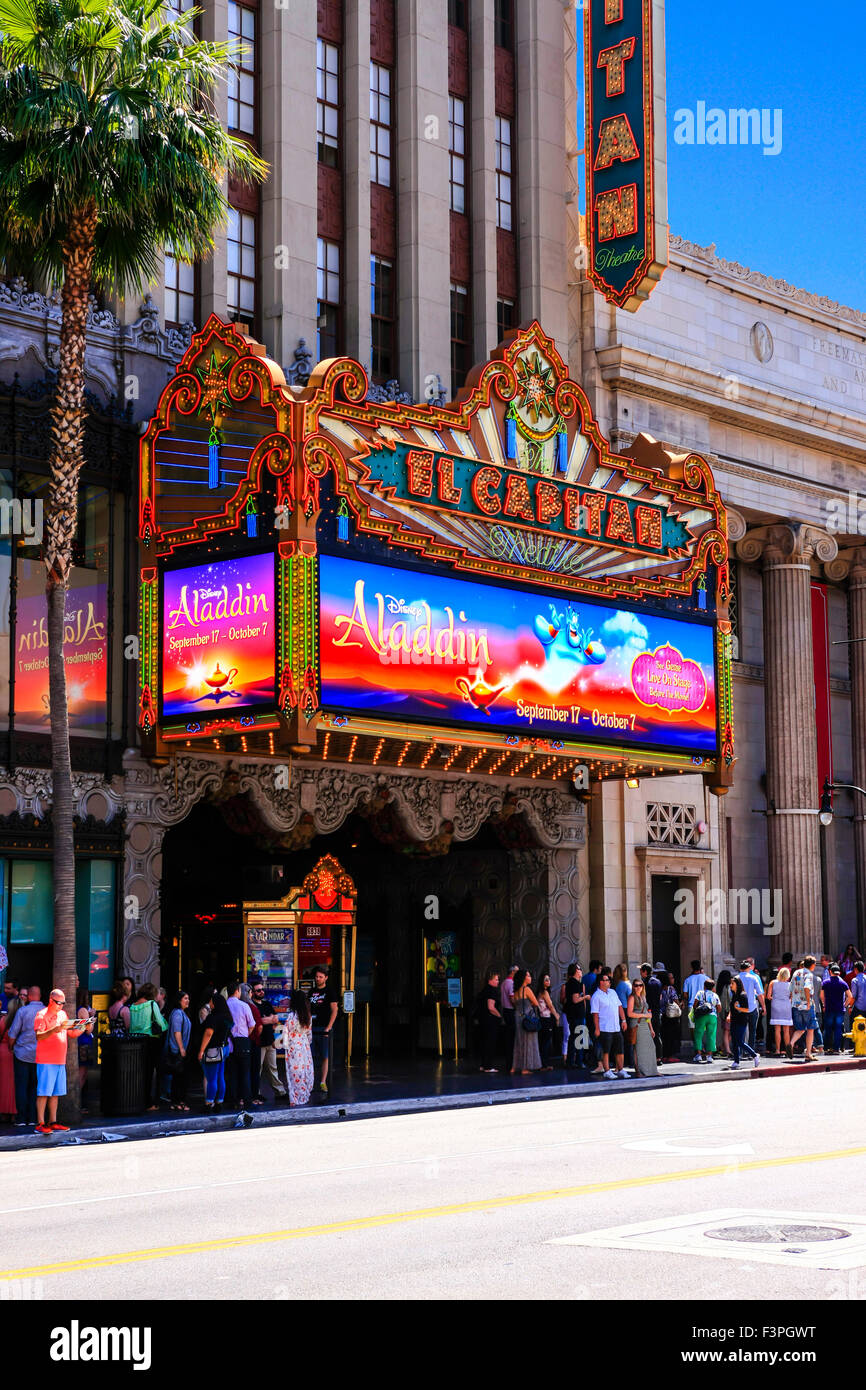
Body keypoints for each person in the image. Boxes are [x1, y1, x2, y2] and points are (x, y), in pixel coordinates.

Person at [34, 989, 86, 1133]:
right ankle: (40, 1123)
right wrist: (53, 1030)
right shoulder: (41, 1015)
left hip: (60, 1061)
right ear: (51, 1000)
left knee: (55, 1093)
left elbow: (72, 1033)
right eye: (59, 1003)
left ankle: (53, 1121)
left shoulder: (62, 1014)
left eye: (63, 1003)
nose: (61, 1006)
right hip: (46, 1060)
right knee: (44, 1092)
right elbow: (38, 1036)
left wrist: (85, 1025)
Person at [128, 983, 168, 1110]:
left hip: (135, 1041)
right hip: (151, 1041)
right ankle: (150, 1103)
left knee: (139, 1072)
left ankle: (138, 1099)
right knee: (151, 1072)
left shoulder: (133, 1006)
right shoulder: (152, 1004)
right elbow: (162, 1025)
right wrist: (164, 1021)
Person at [8, 985, 41, 1127]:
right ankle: (33, 1118)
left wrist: (11, 1047)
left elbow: (12, 1034)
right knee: (35, 1087)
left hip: (22, 1054)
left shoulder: (23, 1011)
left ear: (30, 996)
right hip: (40, 1055)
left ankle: (21, 1119)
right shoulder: (45, 1011)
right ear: (39, 996)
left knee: (21, 1086)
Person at [250, 977, 288, 1102]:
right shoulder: (251, 1006)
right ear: (253, 992)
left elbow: (275, 1019)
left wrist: (266, 1020)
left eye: (262, 989)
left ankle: (280, 1092)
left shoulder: (266, 1004)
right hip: (258, 1043)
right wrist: (267, 1020)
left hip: (270, 1041)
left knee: (273, 1068)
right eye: (258, 990)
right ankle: (256, 1093)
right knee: (257, 1069)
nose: (261, 992)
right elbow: (256, 1022)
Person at [197, 990, 233, 1111]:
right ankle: (219, 1102)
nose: (210, 1004)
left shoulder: (213, 1017)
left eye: (212, 1002)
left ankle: (209, 1103)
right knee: (220, 1076)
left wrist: (201, 1051)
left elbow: (208, 1033)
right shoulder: (227, 1016)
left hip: (213, 1050)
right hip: (224, 1048)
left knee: (211, 1078)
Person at [591, 972, 630, 1080]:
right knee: (606, 1050)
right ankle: (607, 1071)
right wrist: (597, 1028)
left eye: (609, 980)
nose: (609, 982)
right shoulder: (596, 996)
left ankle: (621, 1069)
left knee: (619, 1049)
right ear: (601, 982)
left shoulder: (613, 992)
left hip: (616, 1026)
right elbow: (595, 1014)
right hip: (605, 1027)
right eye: (607, 980)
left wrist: (623, 1020)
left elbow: (619, 1006)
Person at [225, 980, 257, 1109]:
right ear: (237, 991)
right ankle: (247, 1101)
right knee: (245, 1073)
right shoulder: (244, 1006)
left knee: (232, 1073)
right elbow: (252, 1025)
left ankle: (233, 1101)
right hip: (243, 1041)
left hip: (228, 1042)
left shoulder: (224, 1006)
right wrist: (245, 1035)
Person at [309, 966, 339, 1094]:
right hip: (311, 1028)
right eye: (316, 976)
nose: (318, 979)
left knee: (325, 1056)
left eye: (320, 977)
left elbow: (335, 1010)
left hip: (324, 1028)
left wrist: (329, 1027)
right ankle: (309, 1083)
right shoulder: (311, 991)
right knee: (310, 1057)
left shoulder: (330, 991)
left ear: (326, 978)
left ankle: (323, 1082)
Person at [284, 988, 314, 1106]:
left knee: (294, 1073)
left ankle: (295, 1098)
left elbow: (285, 1032)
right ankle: (304, 1095)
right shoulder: (307, 1016)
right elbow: (309, 1034)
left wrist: (283, 1045)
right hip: (304, 1045)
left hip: (293, 1046)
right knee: (305, 1070)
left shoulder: (291, 1016)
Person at [162, 990, 191, 1110]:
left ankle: (176, 1102)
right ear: (179, 1000)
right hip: (177, 1051)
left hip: (178, 1049)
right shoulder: (178, 1014)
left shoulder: (180, 1013)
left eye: (188, 998)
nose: (187, 1000)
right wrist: (181, 1048)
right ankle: (179, 1102)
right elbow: (176, 1032)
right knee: (180, 1078)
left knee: (177, 1078)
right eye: (185, 998)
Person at [510, 969, 542, 1075]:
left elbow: (515, 1003)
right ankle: (525, 1068)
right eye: (528, 976)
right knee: (528, 1041)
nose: (530, 978)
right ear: (524, 978)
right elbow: (536, 1003)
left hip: (518, 1017)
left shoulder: (516, 990)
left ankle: (514, 1067)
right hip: (527, 1018)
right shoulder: (526, 989)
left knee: (519, 1042)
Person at [789, 956, 818, 1062]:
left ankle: (791, 1043)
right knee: (810, 1029)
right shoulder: (809, 974)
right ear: (813, 964)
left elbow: (791, 988)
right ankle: (808, 1053)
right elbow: (807, 987)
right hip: (806, 1005)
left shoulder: (796, 972)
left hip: (796, 1005)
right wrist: (808, 1002)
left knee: (800, 1029)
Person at [627, 979, 657, 1077]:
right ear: (633, 986)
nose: (638, 987)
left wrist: (651, 1028)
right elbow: (629, 1013)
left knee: (651, 1047)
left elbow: (647, 1014)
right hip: (637, 1024)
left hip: (645, 1024)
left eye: (640, 985)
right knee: (638, 1048)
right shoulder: (632, 997)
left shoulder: (643, 997)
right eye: (636, 985)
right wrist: (644, 1016)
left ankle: (652, 1071)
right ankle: (639, 1071)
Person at [728, 977, 759, 1070]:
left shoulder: (743, 995)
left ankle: (754, 1055)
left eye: (732, 984)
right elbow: (732, 1007)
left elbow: (747, 1009)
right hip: (734, 1020)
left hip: (741, 1021)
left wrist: (738, 1008)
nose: (731, 985)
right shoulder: (734, 995)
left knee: (740, 1041)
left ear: (737, 984)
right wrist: (729, 1015)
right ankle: (736, 1061)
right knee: (734, 1042)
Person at [821, 965, 852, 1055]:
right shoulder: (843, 983)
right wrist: (845, 1005)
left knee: (828, 1028)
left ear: (830, 971)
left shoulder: (825, 983)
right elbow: (850, 996)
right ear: (839, 973)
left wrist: (824, 1004)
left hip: (829, 1009)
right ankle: (836, 1048)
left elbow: (821, 995)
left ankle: (827, 1048)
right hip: (839, 1009)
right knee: (838, 1029)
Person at [738, 959, 766, 1053]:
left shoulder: (736, 978)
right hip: (752, 1006)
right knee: (752, 1030)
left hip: (740, 1008)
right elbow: (759, 993)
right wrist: (763, 1006)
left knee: (741, 1030)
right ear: (749, 968)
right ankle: (751, 1051)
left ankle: (741, 1051)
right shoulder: (753, 978)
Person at [564, 963, 589, 1068]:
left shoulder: (572, 983)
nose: (581, 971)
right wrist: (585, 997)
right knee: (580, 1038)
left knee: (575, 1038)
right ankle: (579, 1061)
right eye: (579, 969)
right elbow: (575, 999)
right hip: (576, 1015)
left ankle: (571, 1061)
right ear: (575, 971)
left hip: (575, 1014)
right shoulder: (574, 983)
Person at [477, 969, 502, 1073]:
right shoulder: (492, 990)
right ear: (490, 980)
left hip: (483, 1020)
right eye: (496, 979)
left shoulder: (484, 990)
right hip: (490, 1021)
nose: (498, 981)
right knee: (490, 1043)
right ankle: (488, 1066)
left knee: (484, 1042)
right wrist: (499, 1015)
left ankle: (483, 1064)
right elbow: (491, 1007)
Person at [691, 978, 720, 1063]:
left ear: (704, 986)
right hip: (712, 1016)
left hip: (701, 1016)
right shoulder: (715, 995)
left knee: (698, 1034)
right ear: (713, 987)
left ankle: (698, 1055)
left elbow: (694, 1004)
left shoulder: (700, 993)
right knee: (711, 1035)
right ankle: (709, 1056)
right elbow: (719, 1008)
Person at [767, 966, 793, 1057]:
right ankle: (786, 1050)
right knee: (786, 1030)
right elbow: (791, 997)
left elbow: (768, 996)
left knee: (777, 1029)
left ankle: (777, 1050)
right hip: (786, 1006)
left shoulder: (773, 983)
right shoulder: (790, 984)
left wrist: (775, 998)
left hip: (776, 1006)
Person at [535, 973, 558, 1070]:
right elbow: (550, 1005)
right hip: (545, 1019)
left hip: (542, 1019)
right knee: (546, 1042)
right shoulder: (544, 992)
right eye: (546, 979)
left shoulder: (540, 992)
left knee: (543, 1042)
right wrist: (556, 1015)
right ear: (542, 982)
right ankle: (544, 1064)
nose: (548, 981)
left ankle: (543, 1063)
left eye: (549, 979)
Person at [612, 964, 633, 1066]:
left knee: (621, 1037)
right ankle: (629, 1060)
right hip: (626, 1010)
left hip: (617, 1010)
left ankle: (620, 1061)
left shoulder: (616, 984)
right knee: (629, 1037)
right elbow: (631, 998)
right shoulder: (626, 984)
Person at [75, 1008, 96, 1113]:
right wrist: (91, 1018)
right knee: (82, 1075)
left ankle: (79, 1102)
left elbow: (78, 1026)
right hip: (84, 1044)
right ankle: (77, 1102)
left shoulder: (75, 1009)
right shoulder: (83, 1010)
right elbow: (89, 1030)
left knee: (82, 1075)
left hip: (80, 1043)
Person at [659, 971, 682, 1063]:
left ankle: (663, 1054)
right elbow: (676, 1000)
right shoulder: (671, 989)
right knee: (672, 1036)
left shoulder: (659, 989)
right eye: (671, 978)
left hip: (662, 1014)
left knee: (663, 1035)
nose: (673, 979)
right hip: (671, 1016)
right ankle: (670, 1055)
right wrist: (680, 1005)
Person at [0, 995, 16, 1123]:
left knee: (3, 1083)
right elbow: (13, 1038)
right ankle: (11, 1111)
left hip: (1, 1051)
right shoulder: (14, 1021)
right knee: (11, 1084)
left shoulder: (2, 1020)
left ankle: (2, 1110)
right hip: (10, 1052)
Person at [500, 965, 517, 1072]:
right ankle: (511, 1064)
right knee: (512, 1038)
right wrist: (518, 1006)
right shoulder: (511, 983)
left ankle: (509, 1062)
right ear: (513, 972)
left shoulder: (503, 983)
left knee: (509, 1037)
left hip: (505, 1011)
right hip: (511, 1011)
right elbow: (512, 998)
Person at [716, 969, 732, 1058]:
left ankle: (722, 1047)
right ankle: (728, 1050)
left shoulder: (720, 987)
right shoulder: (727, 987)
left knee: (727, 1032)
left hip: (723, 1013)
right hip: (728, 1012)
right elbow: (728, 1001)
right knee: (728, 1032)